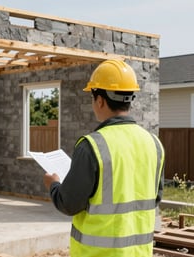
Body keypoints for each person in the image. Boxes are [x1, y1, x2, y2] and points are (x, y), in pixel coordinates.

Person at [43, 59, 165, 257]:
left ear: (99, 100)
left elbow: (69, 203)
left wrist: (53, 184)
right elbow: (155, 198)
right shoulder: (154, 144)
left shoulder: (92, 146)